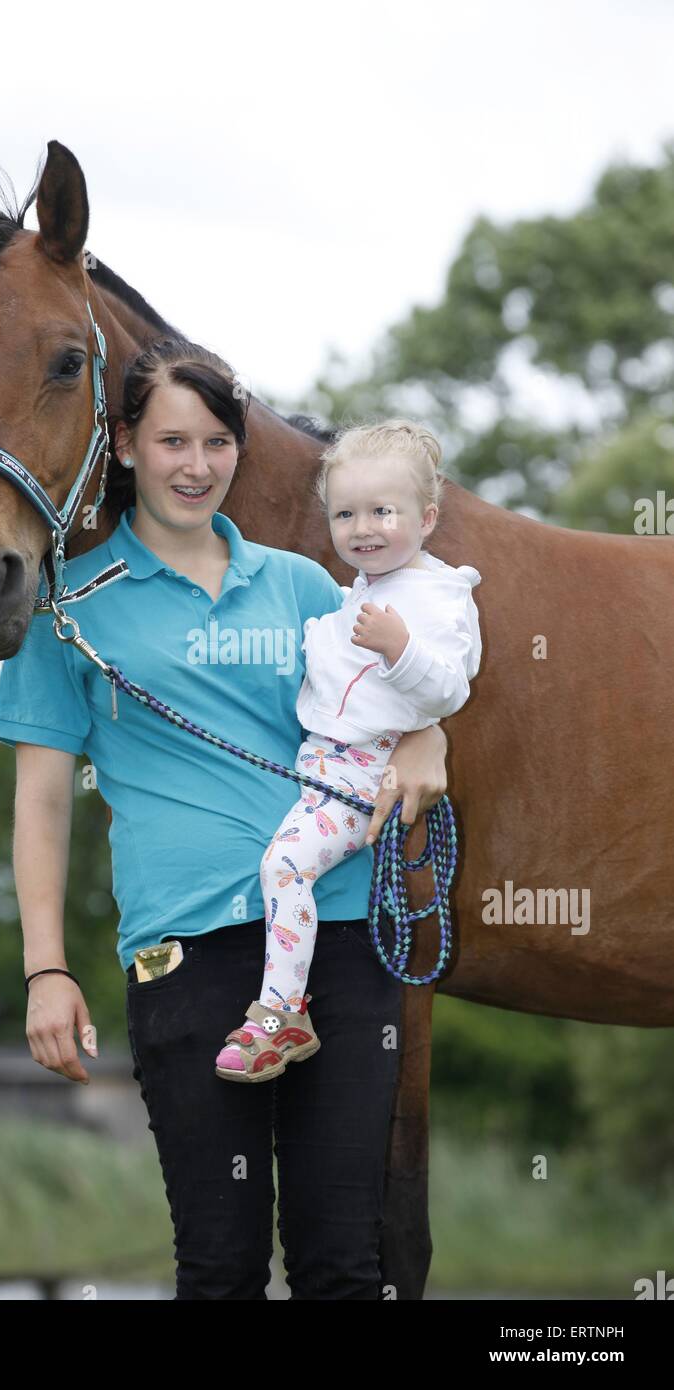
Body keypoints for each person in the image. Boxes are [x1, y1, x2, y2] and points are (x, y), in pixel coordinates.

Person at [0, 337, 449, 1299]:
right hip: (189, 953)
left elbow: (399, 695)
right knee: (221, 1264)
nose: (196, 466)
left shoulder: (305, 586)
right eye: (170, 442)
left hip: (344, 937)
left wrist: (427, 740)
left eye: (216, 442)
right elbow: (40, 801)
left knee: (344, 1264)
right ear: (122, 446)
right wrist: (45, 969)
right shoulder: (66, 606)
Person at [215, 421, 481, 1081]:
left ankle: (280, 1014)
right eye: (344, 513)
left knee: (284, 868)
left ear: (427, 517)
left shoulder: (438, 600)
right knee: (285, 867)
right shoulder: (367, 586)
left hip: (364, 774)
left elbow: (448, 688)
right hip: (328, 766)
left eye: (381, 512)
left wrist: (401, 648)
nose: (362, 528)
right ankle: (282, 1009)